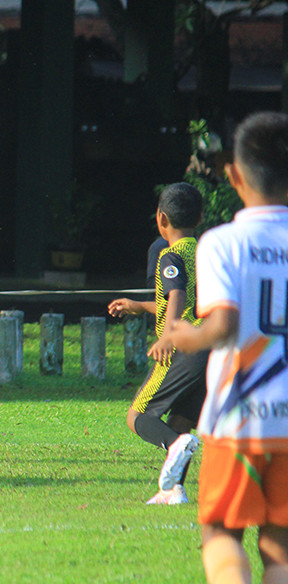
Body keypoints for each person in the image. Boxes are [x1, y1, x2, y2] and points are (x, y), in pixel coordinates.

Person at [170, 111, 288, 584]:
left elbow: (223, 325)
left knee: (220, 529)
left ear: (235, 177)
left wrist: (180, 333)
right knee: (280, 545)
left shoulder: (222, 243)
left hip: (236, 420)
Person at [107, 182, 208, 505]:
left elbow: (176, 295)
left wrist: (168, 335)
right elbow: (185, 299)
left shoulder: (170, 254)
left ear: (161, 218)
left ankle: (175, 453)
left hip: (183, 347)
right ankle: (173, 489)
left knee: (138, 417)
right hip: (210, 348)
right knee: (180, 423)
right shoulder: (205, 253)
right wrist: (138, 306)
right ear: (201, 217)